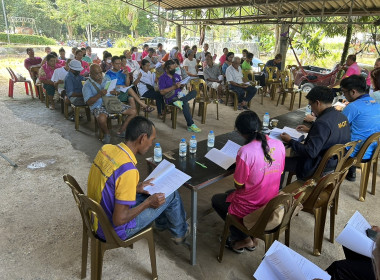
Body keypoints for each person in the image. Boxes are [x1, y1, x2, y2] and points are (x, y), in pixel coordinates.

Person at [87, 116, 189, 244]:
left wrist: (135, 188)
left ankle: (163, 224)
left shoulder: (106, 149)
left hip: (95, 218)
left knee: (150, 194)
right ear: (143, 138)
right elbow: (119, 219)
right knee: (171, 194)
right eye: (151, 140)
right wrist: (148, 203)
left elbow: (109, 185)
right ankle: (180, 232)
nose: (151, 144)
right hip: (112, 231)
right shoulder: (128, 170)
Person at [211, 110, 285, 252]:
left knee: (217, 200)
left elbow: (239, 185)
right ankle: (253, 236)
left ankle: (245, 239)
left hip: (253, 206)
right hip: (269, 202)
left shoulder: (245, 151)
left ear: (240, 132)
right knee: (228, 194)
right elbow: (279, 173)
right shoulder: (279, 145)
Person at [280, 86, 351, 182]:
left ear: (317, 103)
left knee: (279, 159)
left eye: (310, 105)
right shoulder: (341, 116)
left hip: (318, 167)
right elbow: (331, 134)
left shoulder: (322, 122)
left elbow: (310, 152)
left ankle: (276, 192)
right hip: (335, 162)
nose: (311, 109)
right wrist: (310, 130)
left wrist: (290, 141)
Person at [339, 75, 380, 181]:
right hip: (373, 151)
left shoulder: (354, 107)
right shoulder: (376, 104)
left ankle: (326, 175)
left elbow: (337, 126)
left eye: (344, 92)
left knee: (331, 141)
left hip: (355, 153)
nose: (344, 95)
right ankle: (351, 172)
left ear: (353, 92)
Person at [83, 64, 137, 144]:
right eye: (97, 73)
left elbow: (115, 90)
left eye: (100, 72)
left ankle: (121, 131)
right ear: (91, 74)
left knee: (133, 112)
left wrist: (115, 92)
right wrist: (99, 94)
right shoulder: (87, 85)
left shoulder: (106, 78)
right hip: (99, 105)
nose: (100, 75)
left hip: (111, 102)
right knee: (101, 118)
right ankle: (107, 134)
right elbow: (88, 102)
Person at [158, 60, 201, 132]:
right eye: (171, 69)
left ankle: (180, 101)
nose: (173, 70)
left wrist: (181, 86)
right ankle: (191, 125)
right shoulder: (162, 78)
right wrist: (174, 87)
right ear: (166, 69)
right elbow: (162, 92)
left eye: (174, 68)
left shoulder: (177, 76)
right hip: (170, 98)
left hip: (179, 96)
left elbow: (179, 88)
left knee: (194, 92)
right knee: (185, 104)